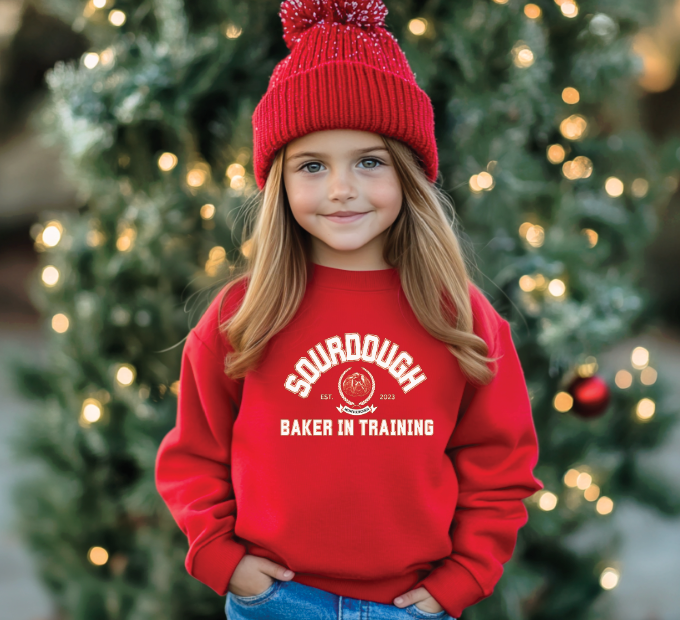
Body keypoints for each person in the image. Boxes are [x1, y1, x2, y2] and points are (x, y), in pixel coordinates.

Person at [154, 0, 544, 618]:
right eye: (312, 165)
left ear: (409, 175)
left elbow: (501, 466)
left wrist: (464, 576)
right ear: (279, 182)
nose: (342, 188)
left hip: (412, 605)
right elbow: (194, 455)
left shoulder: (460, 317)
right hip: (276, 601)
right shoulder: (242, 314)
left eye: (369, 161)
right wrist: (222, 560)